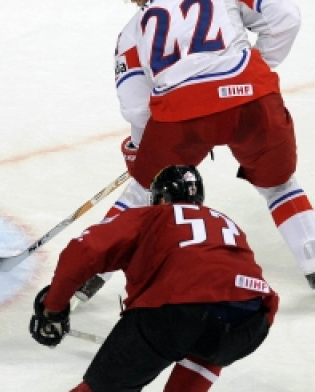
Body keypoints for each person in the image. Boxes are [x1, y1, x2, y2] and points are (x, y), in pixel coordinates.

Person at [10, 165, 278, 392]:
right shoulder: (227, 223)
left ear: (161, 199)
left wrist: (53, 308)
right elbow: (225, 286)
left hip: (173, 314)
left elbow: (83, 251)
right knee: (213, 334)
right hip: (251, 320)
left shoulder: (153, 216)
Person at [75, 0, 315, 304]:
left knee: (141, 194)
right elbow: (287, 16)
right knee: (279, 184)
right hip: (252, 100)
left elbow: (136, 108)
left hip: (183, 117)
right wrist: (258, 67)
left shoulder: (132, 32)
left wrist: (141, 149)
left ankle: (86, 273)